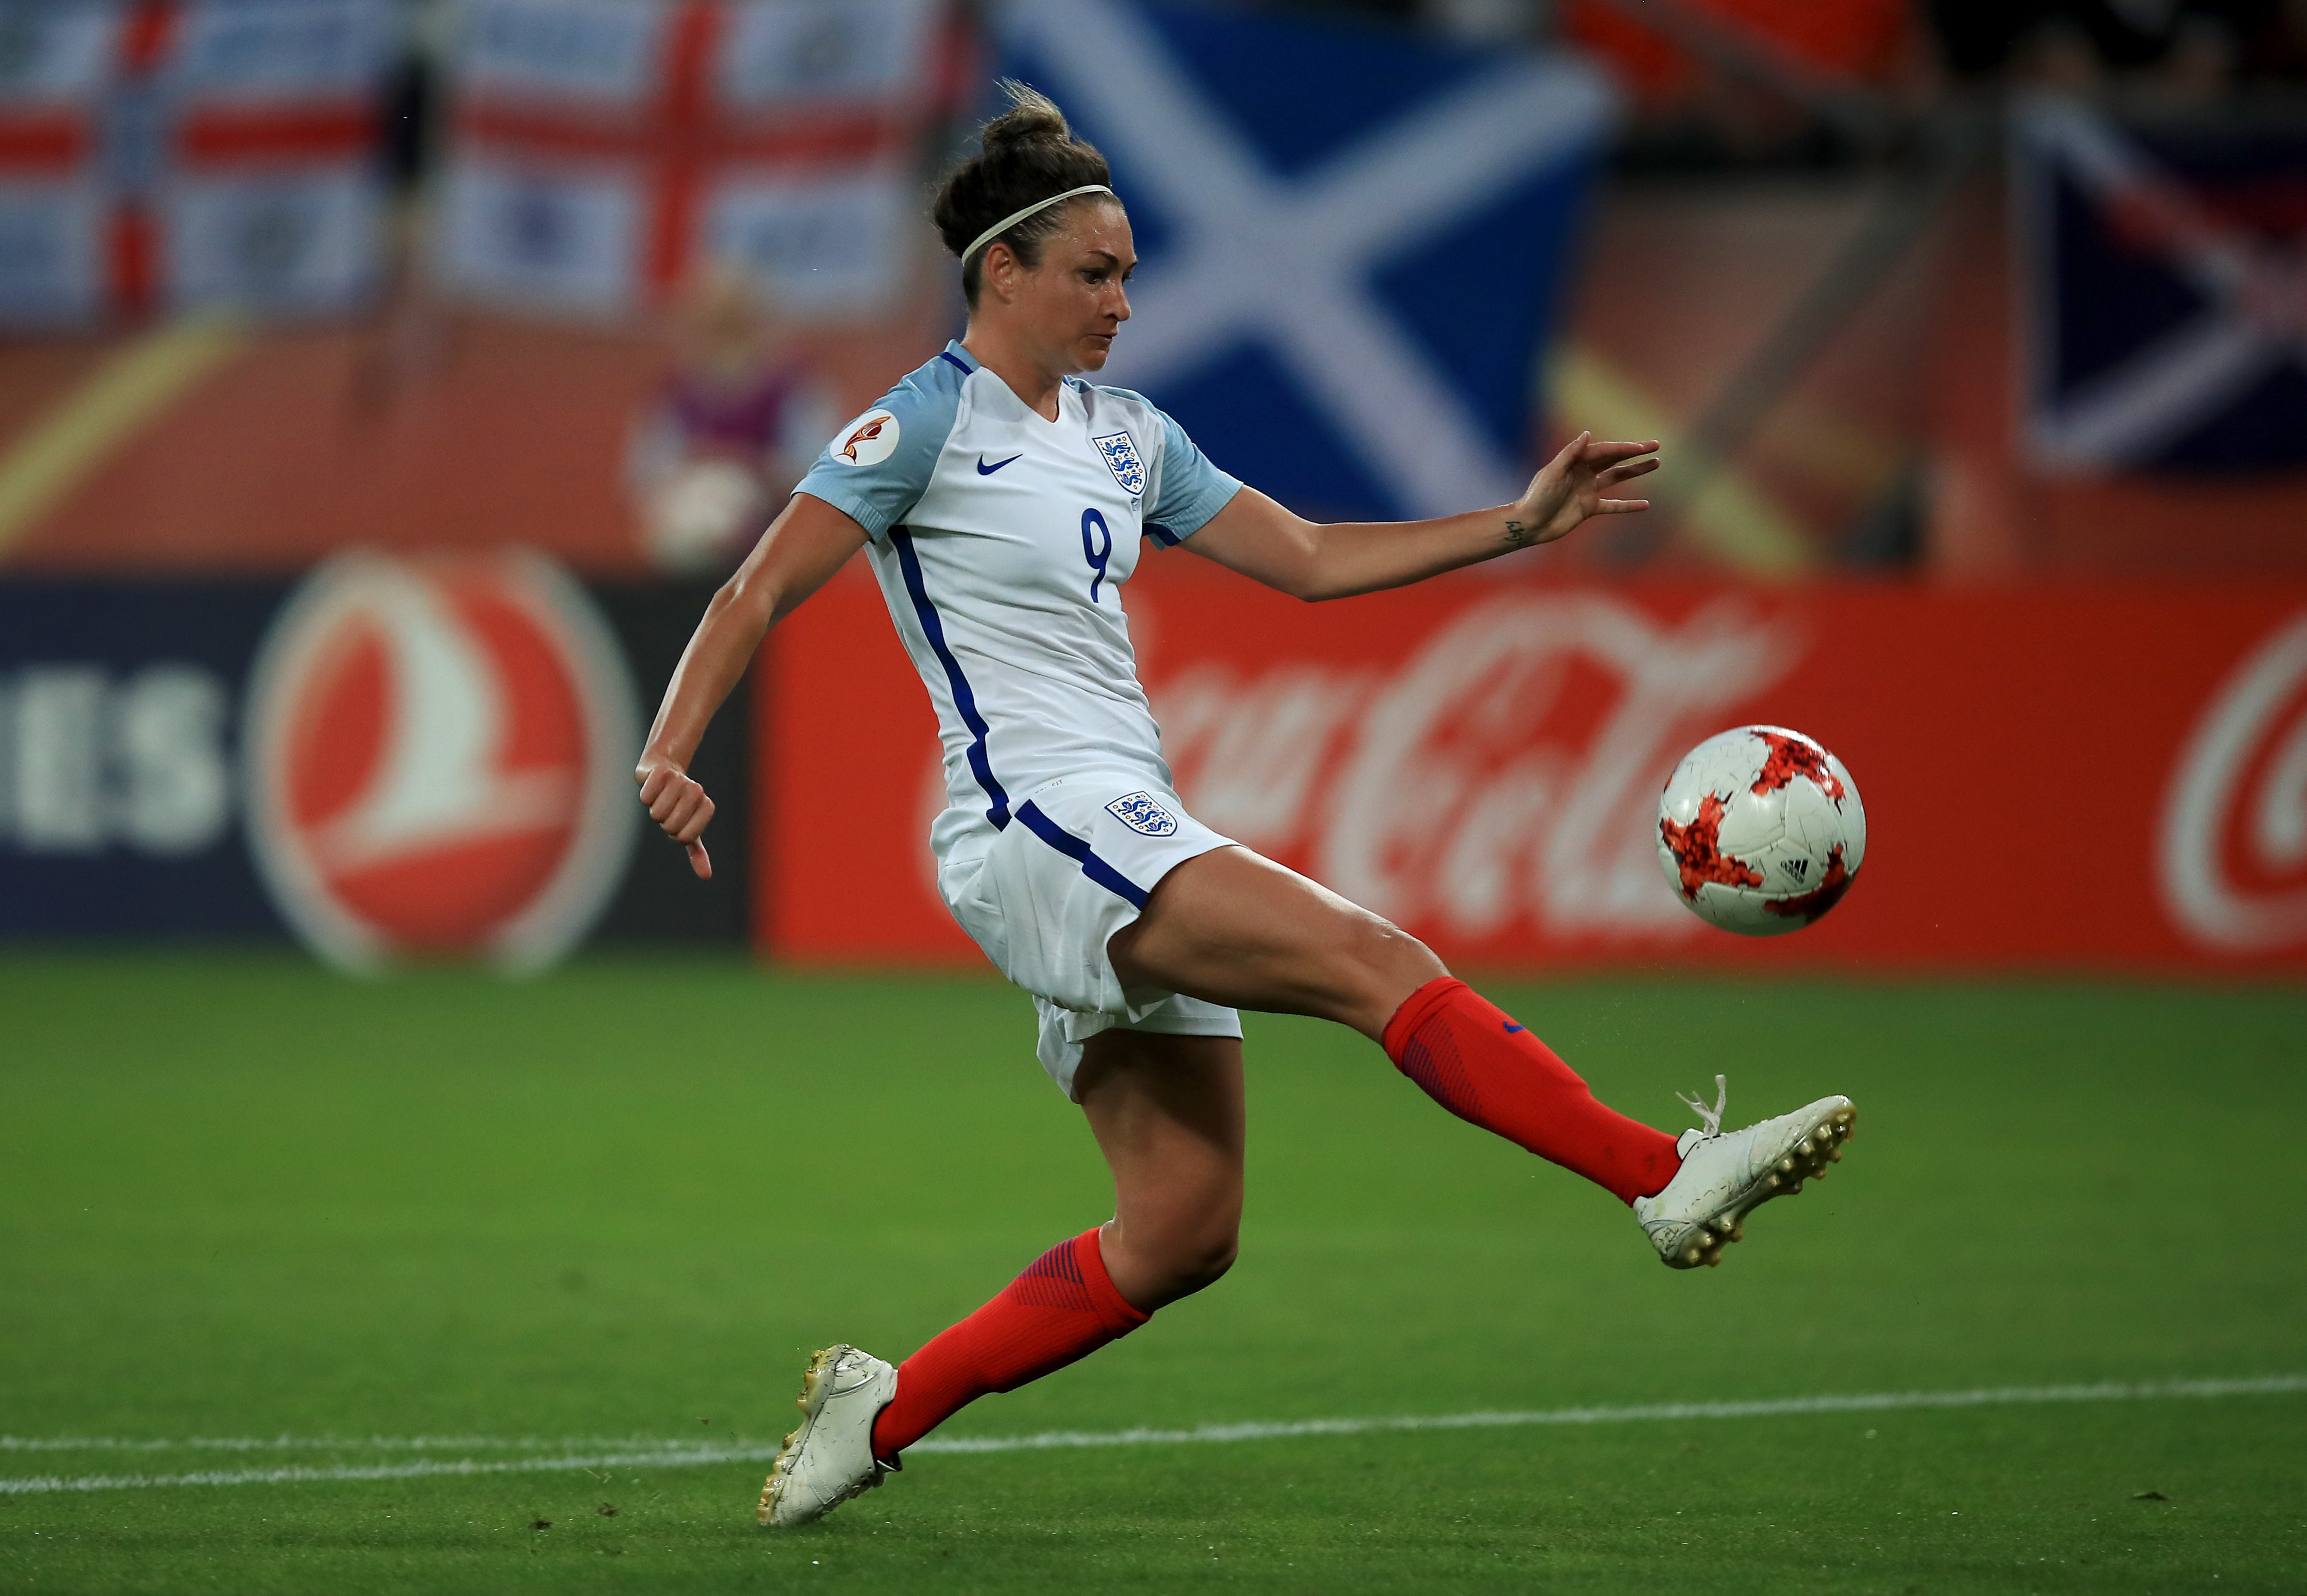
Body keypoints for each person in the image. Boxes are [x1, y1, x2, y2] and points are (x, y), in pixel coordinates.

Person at [633, 83, 1857, 1530]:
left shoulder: (1124, 435)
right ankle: (1661, 1175)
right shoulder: (918, 424)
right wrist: (670, 745)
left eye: (1131, 275)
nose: (1121, 301)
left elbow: (1315, 558)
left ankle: (881, 1407)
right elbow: (756, 582)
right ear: (1002, 272)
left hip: (1112, 814)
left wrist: (1514, 528)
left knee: (1180, 1234)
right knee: (1374, 963)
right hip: (1033, 820)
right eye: (1095, 272)